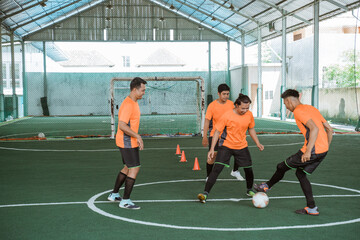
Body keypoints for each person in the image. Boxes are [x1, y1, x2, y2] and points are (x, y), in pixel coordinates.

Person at [254, 89, 333, 216]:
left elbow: (314, 129)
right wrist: (325, 147)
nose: (286, 106)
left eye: (285, 104)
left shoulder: (298, 111)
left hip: (312, 151)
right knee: (301, 174)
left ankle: (266, 186)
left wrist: (308, 151)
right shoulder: (311, 108)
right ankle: (311, 207)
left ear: (288, 101)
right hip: (322, 151)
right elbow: (329, 129)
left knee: (281, 166)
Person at [198, 93, 264, 203]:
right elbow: (217, 132)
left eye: (247, 108)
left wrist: (257, 142)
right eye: (243, 108)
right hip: (226, 146)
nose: (245, 110)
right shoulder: (227, 115)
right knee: (217, 169)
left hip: (242, 146)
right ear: (236, 105)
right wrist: (212, 149)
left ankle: (249, 190)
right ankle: (205, 193)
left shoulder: (249, 115)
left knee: (249, 169)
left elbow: (251, 129)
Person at [107, 77, 147, 210]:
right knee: (134, 168)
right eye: (142, 90)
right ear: (135, 90)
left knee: (127, 167)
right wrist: (138, 136)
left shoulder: (134, 102)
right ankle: (125, 201)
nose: (144, 93)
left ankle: (114, 194)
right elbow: (122, 125)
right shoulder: (128, 104)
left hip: (128, 141)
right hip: (127, 141)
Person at [202, 84, 245, 181]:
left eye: (227, 94)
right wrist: (204, 136)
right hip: (215, 134)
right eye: (224, 94)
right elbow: (207, 121)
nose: (226, 96)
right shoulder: (212, 106)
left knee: (238, 152)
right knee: (212, 156)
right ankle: (209, 176)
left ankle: (235, 171)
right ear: (218, 94)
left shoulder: (231, 104)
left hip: (230, 135)